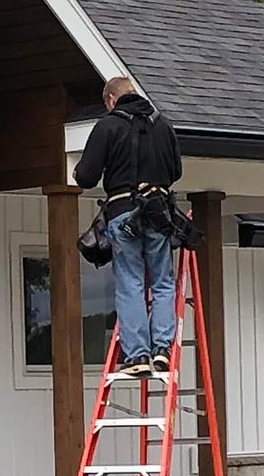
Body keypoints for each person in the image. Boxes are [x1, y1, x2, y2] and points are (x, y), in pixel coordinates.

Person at [72, 75, 183, 377]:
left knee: (131, 282)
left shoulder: (108, 126)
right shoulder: (163, 125)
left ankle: (137, 356)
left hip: (124, 213)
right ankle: (162, 349)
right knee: (162, 281)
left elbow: (86, 177)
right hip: (159, 213)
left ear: (110, 100)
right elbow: (175, 171)